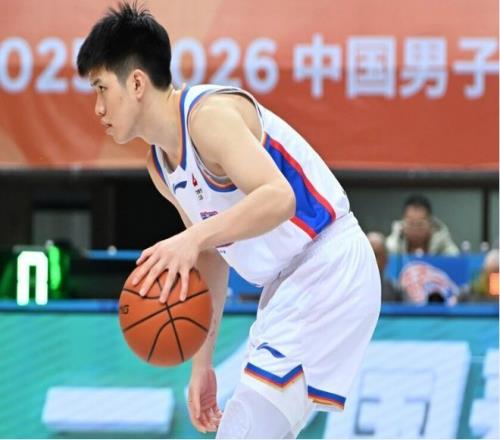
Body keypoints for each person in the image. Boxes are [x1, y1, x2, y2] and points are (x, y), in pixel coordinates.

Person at [77, 3, 381, 438]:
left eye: (101, 88)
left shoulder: (207, 117)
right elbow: (211, 256)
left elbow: (279, 198)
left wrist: (191, 238)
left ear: (137, 83)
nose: (97, 107)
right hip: (288, 285)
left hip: (327, 264)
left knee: (246, 429)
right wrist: (202, 363)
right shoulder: (160, 166)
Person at [386, 195, 459, 256]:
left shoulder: (443, 242)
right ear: (403, 223)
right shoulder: (393, 243)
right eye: (411, 223)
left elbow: (455, 258)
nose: (415, 229)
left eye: (420, 224)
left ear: (430, 224)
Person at [367, 232, 402, 302]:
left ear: (385, 260)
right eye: (367, 256)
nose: (370, 261)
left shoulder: (395, 290)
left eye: (376, 255)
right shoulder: (348, 288)